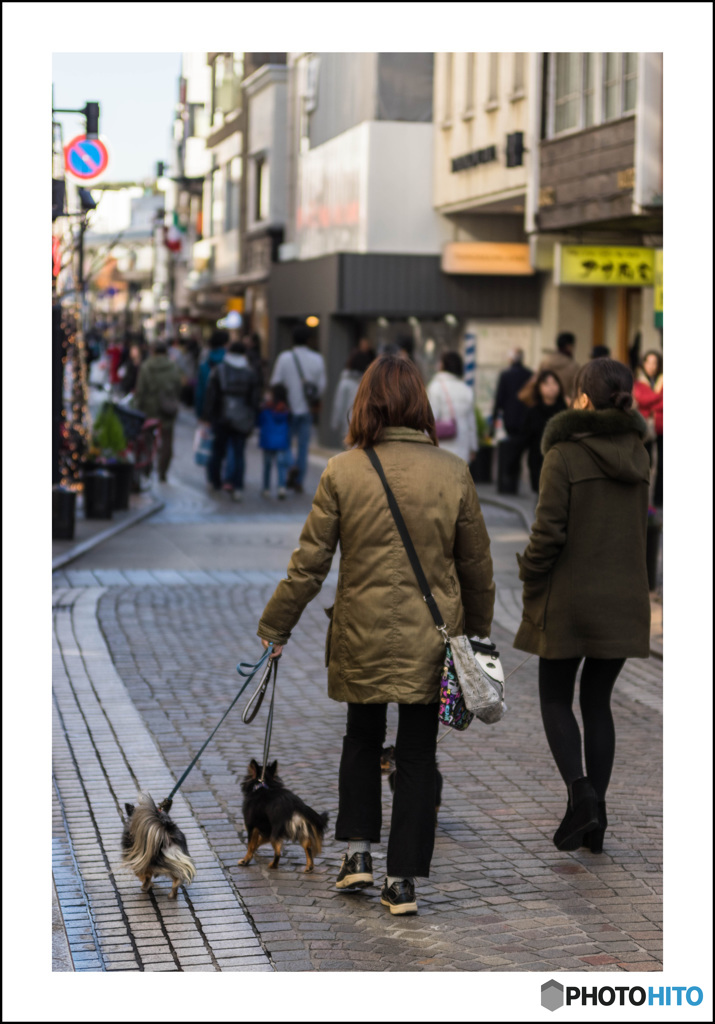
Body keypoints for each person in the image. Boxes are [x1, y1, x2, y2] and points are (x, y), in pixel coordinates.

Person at [256, 355, 495, 915]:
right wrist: (476, 638)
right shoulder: (453, 472)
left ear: (365, 403)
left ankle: (358, 855)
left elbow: (308, 565)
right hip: (432, 639)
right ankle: (402, 881)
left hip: (359, 631)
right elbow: (477, 567)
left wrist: (276, 627)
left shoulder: (343, 469)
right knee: (416, 756)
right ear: (420, 404)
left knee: (360, 740)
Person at [513, 358, 651, 854]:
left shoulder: (564, 455)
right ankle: (598, 817)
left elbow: (547, 534)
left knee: (554, 697)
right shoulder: (640, 453)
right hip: (623, 598)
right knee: (597, 703)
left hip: (570, 599)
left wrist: (528, 570)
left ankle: (580, 795)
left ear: (584, 399)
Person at [270, 326, 326, 494]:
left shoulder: (284, 358)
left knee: (284, 443)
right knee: (303, 447)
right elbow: (322, 387)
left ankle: (290, 465)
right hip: (307, 409)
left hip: (287, 409)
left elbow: (275, 381)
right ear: (309, 340)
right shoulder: (317, 358)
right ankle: (299, 481)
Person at [203, 340, 261, 501]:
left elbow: (211, 396)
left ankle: (215, 482)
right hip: (242, 419)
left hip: (221, 417)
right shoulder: (250, 373)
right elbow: (255, 399)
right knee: (239, 453)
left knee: (218, 451)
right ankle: (237, 486)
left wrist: (207, 416)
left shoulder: (219, 370)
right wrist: (253, 419)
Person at [133, 340, 183, 482]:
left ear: (153, 351)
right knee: (167, 441)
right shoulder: (173, 366)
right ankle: (163, 471)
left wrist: (139, 407)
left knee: (148, 440)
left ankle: (147, 467)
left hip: (149, 409)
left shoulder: (146, 366)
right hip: (168, 408)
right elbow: (178, 386)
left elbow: (140, 390)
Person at [515, 370, 568, 494]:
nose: (551, 387)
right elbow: (523, 439)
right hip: (537, 462)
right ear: (539, 387)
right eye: (546, 384)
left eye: (554, 383)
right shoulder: (532, 412)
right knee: (540, 496)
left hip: (561, 463)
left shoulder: (565, 411)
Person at [426, 351, 478, 464]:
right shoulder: (466, 389)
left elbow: (430, 419)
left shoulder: (435, 387)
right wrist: (473, 447)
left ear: (442, 365)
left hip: (441, 447)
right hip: (462, 448)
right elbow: (471, 423)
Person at [633, 351, 663, 508]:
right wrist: (659, 398)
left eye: (655, 362)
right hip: (645, 429)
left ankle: (657, 501)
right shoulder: (638, 382)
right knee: (646, 462)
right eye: (649, 362)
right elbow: (642, 400)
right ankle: (644, 500)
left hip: (661, 428)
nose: (652, 366)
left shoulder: (660, 380)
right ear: (643, 363)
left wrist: (652, 403)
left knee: (660, 465)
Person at [523, 332, 581, 406]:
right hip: (563, 404)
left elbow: (536, 379)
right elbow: (575, 389)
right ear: (569, 346)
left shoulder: (546, 361)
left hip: (542, 403)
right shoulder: (573, 366)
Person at [330, 348, 376, 435]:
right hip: (365, 426)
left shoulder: (345, 382)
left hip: (347, 425)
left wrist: (335, 423)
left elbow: (339, 404)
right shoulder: (368, 383)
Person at [259, 383, 292, 499]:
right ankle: (281, 487)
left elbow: (259, 422)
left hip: (267, 441)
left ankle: (266, 488)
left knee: (267, 466)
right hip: (281, 442)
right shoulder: (285, 409)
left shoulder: (265, 408)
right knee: (281, 466)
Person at [491, 348, 533, 439]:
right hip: (526, 418)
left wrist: (494, 418)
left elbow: (499, 398)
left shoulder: (505, 375)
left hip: (509, 418)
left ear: (511, 359)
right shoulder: (529, 374)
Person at [195, 329, 228, 422]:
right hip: (231, 412)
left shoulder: (204, 364)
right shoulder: (231, 362)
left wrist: (200, 414)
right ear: (226, 344)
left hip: (210, 411)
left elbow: (200, 392)